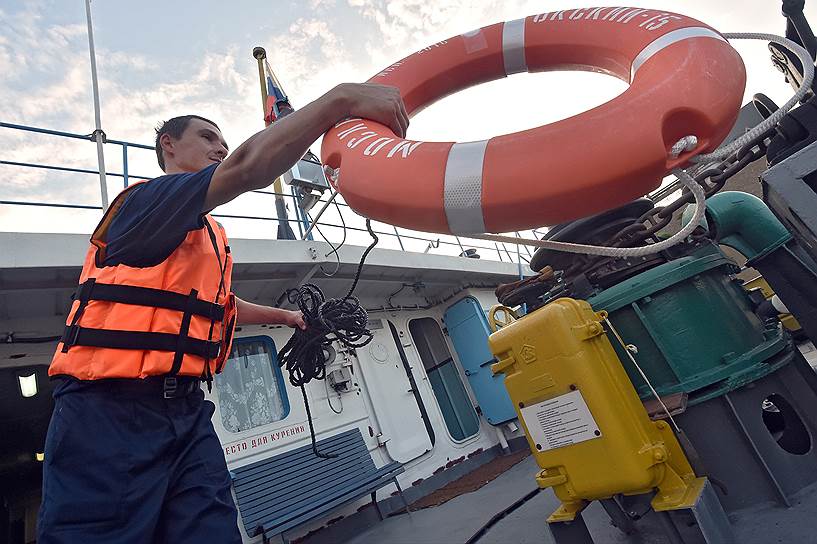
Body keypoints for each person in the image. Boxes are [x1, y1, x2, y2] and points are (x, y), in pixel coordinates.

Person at [37, 82, 409, 543]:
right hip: (106, 412)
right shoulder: (145, 202)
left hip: (188, 411)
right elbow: (247, 168)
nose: (221, 146)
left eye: (224, 140)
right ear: (167, 146)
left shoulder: (209, 230)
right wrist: (340, 101)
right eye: (207, 137)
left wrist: (287, 317)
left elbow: (217, 306)